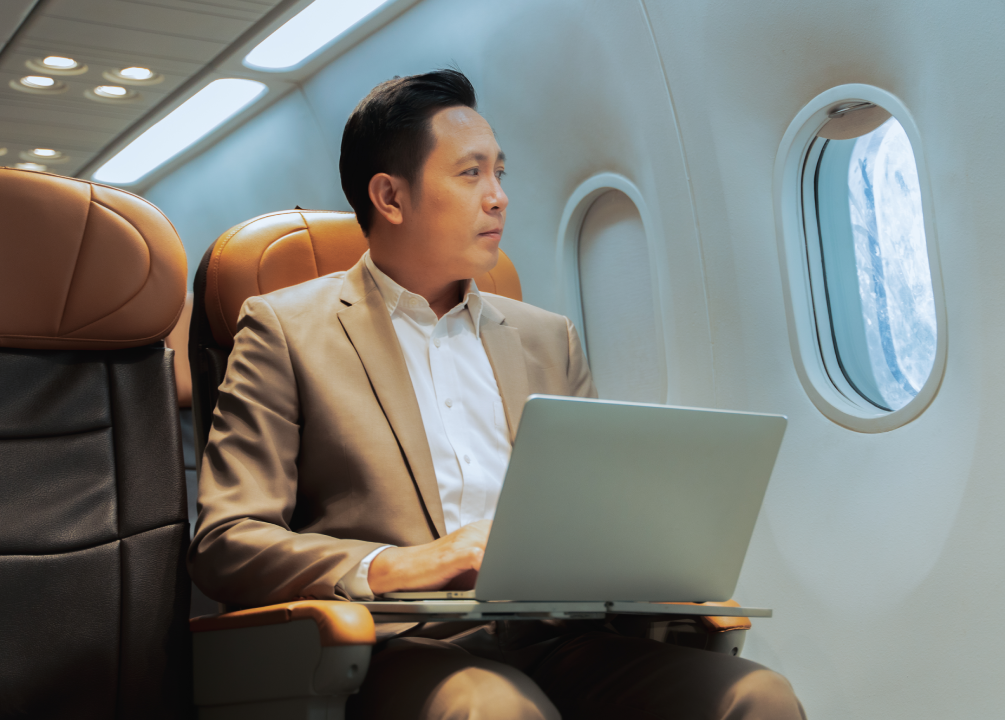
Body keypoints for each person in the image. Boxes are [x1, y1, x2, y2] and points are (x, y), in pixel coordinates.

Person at [189, 69, 806, 720]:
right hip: (398, 647)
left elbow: (593, 516)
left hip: (561, 640)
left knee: (758, 697)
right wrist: (399, 565)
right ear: (390, 197)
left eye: (500, 174)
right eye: (470, 174)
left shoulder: (549, 338)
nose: (499, 197)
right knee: (494, 710)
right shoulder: (285, 329)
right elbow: (229, 541)